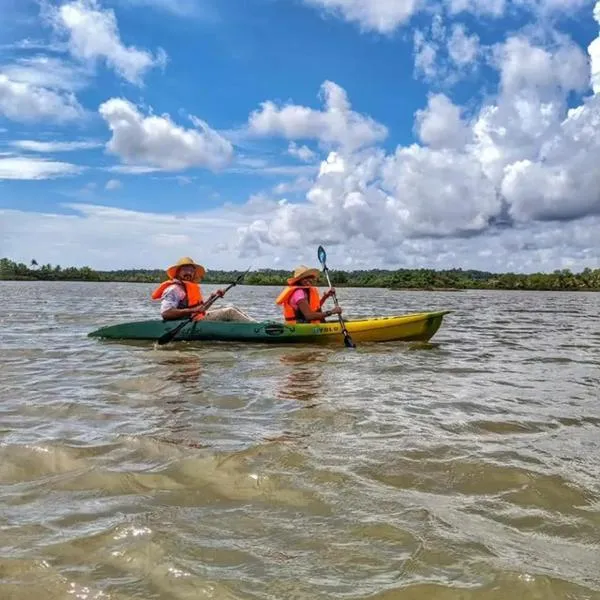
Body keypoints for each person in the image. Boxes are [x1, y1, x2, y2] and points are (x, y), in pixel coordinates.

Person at [151, 257, 255, 322]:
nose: (189, 273)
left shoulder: (189, 287)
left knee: (230, 306)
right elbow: (166, 313)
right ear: (178, 272)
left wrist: (213, 297)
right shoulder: (173, 289)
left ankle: (256, 324)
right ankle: (258, 329)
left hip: (195, 318)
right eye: (185, 269)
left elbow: (201, 309)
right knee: (230, 312)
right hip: (187, 322)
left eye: (191, 270)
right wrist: (193, 310)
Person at [275, 265, 342, 324]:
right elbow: (309, 316)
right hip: (299, 326)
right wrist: (332, 312)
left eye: (310, 277)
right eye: (305, 278)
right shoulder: (299, 293)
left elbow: (314, 308)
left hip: (307, 324)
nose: (309, 280)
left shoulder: (305, 290)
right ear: (299, 280)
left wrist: (325, 296)